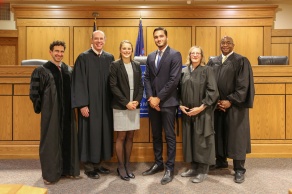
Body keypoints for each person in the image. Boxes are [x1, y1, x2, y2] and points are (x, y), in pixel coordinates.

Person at [29, 40, 80, 185]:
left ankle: (67, 170)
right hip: (51, 112)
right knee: (50, 141)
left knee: (68, 138)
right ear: (50, 52)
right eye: (56, 51)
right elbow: (34, 93)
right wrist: (42, 108)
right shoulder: (42, 70)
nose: (59, 54)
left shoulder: (68, 70)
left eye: (62, 51)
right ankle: (50, 175)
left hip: (68, 113)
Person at [206, 36, 255, 183]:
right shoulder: (212, 61)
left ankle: (239, 168)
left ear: (233, 45)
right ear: (219, 45)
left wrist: (230, 101)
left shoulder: (241, 61)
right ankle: (221, 161)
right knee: (219, 133)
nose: (225, 45)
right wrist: (215, 100)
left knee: (237, 136)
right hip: (217, 105)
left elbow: (243, 85)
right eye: (223, 42)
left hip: (235, 106)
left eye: (228, 43)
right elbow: (208, 82)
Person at [71, 30, 114, 179]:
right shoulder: (83, 58)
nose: (99, 41)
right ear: (92, 39)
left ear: (105, 40)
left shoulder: (109, 58)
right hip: (89, 105)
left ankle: (98, 163)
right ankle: (89, 166)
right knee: (89, 133)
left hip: (105, 104)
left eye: (101, 39)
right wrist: (82, 104)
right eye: (96, 39)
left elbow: (113, 83)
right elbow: (78, 82)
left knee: (102, 133)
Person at [143, 27, 182, 185]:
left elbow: (174, 80)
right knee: (156, 135)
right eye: (156, 37)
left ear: (166, 37)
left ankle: (169, 168)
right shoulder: (151, 56)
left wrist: (158, 98)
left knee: (170, 136)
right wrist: (151, 98)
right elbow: (147, 78)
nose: (158, 39)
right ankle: (158, 163)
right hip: (153, 103)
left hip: (168, 102)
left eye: (161, 36)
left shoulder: (175, 55)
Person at [179, 46, 219, 183]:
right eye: (192, 53)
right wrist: (180, 105)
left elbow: (213, 92)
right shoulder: (184, 71)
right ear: (189, 55)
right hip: (188, 113)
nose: (195, 55)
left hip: (203, 112)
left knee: (202, 140)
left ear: (202, 56)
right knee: (190, 140)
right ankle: (194, 167)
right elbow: (177, 90)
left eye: (198, 53)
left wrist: (201, 107)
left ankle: (203, 170)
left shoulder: (207, 70)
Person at [109, 40, 144, 181]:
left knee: (130, 136)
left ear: (132, 50)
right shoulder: (115, 65)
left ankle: (128, 164)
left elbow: (141, 86)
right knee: (121, 137)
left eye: (129, 48)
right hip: (120, 106)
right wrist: (126, 103)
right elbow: (113, 86)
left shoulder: (136, 64)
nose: (126, 51)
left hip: (134, 105)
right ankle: (121, 166)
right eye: (124, 48)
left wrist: (136, 100)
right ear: (120, 49)